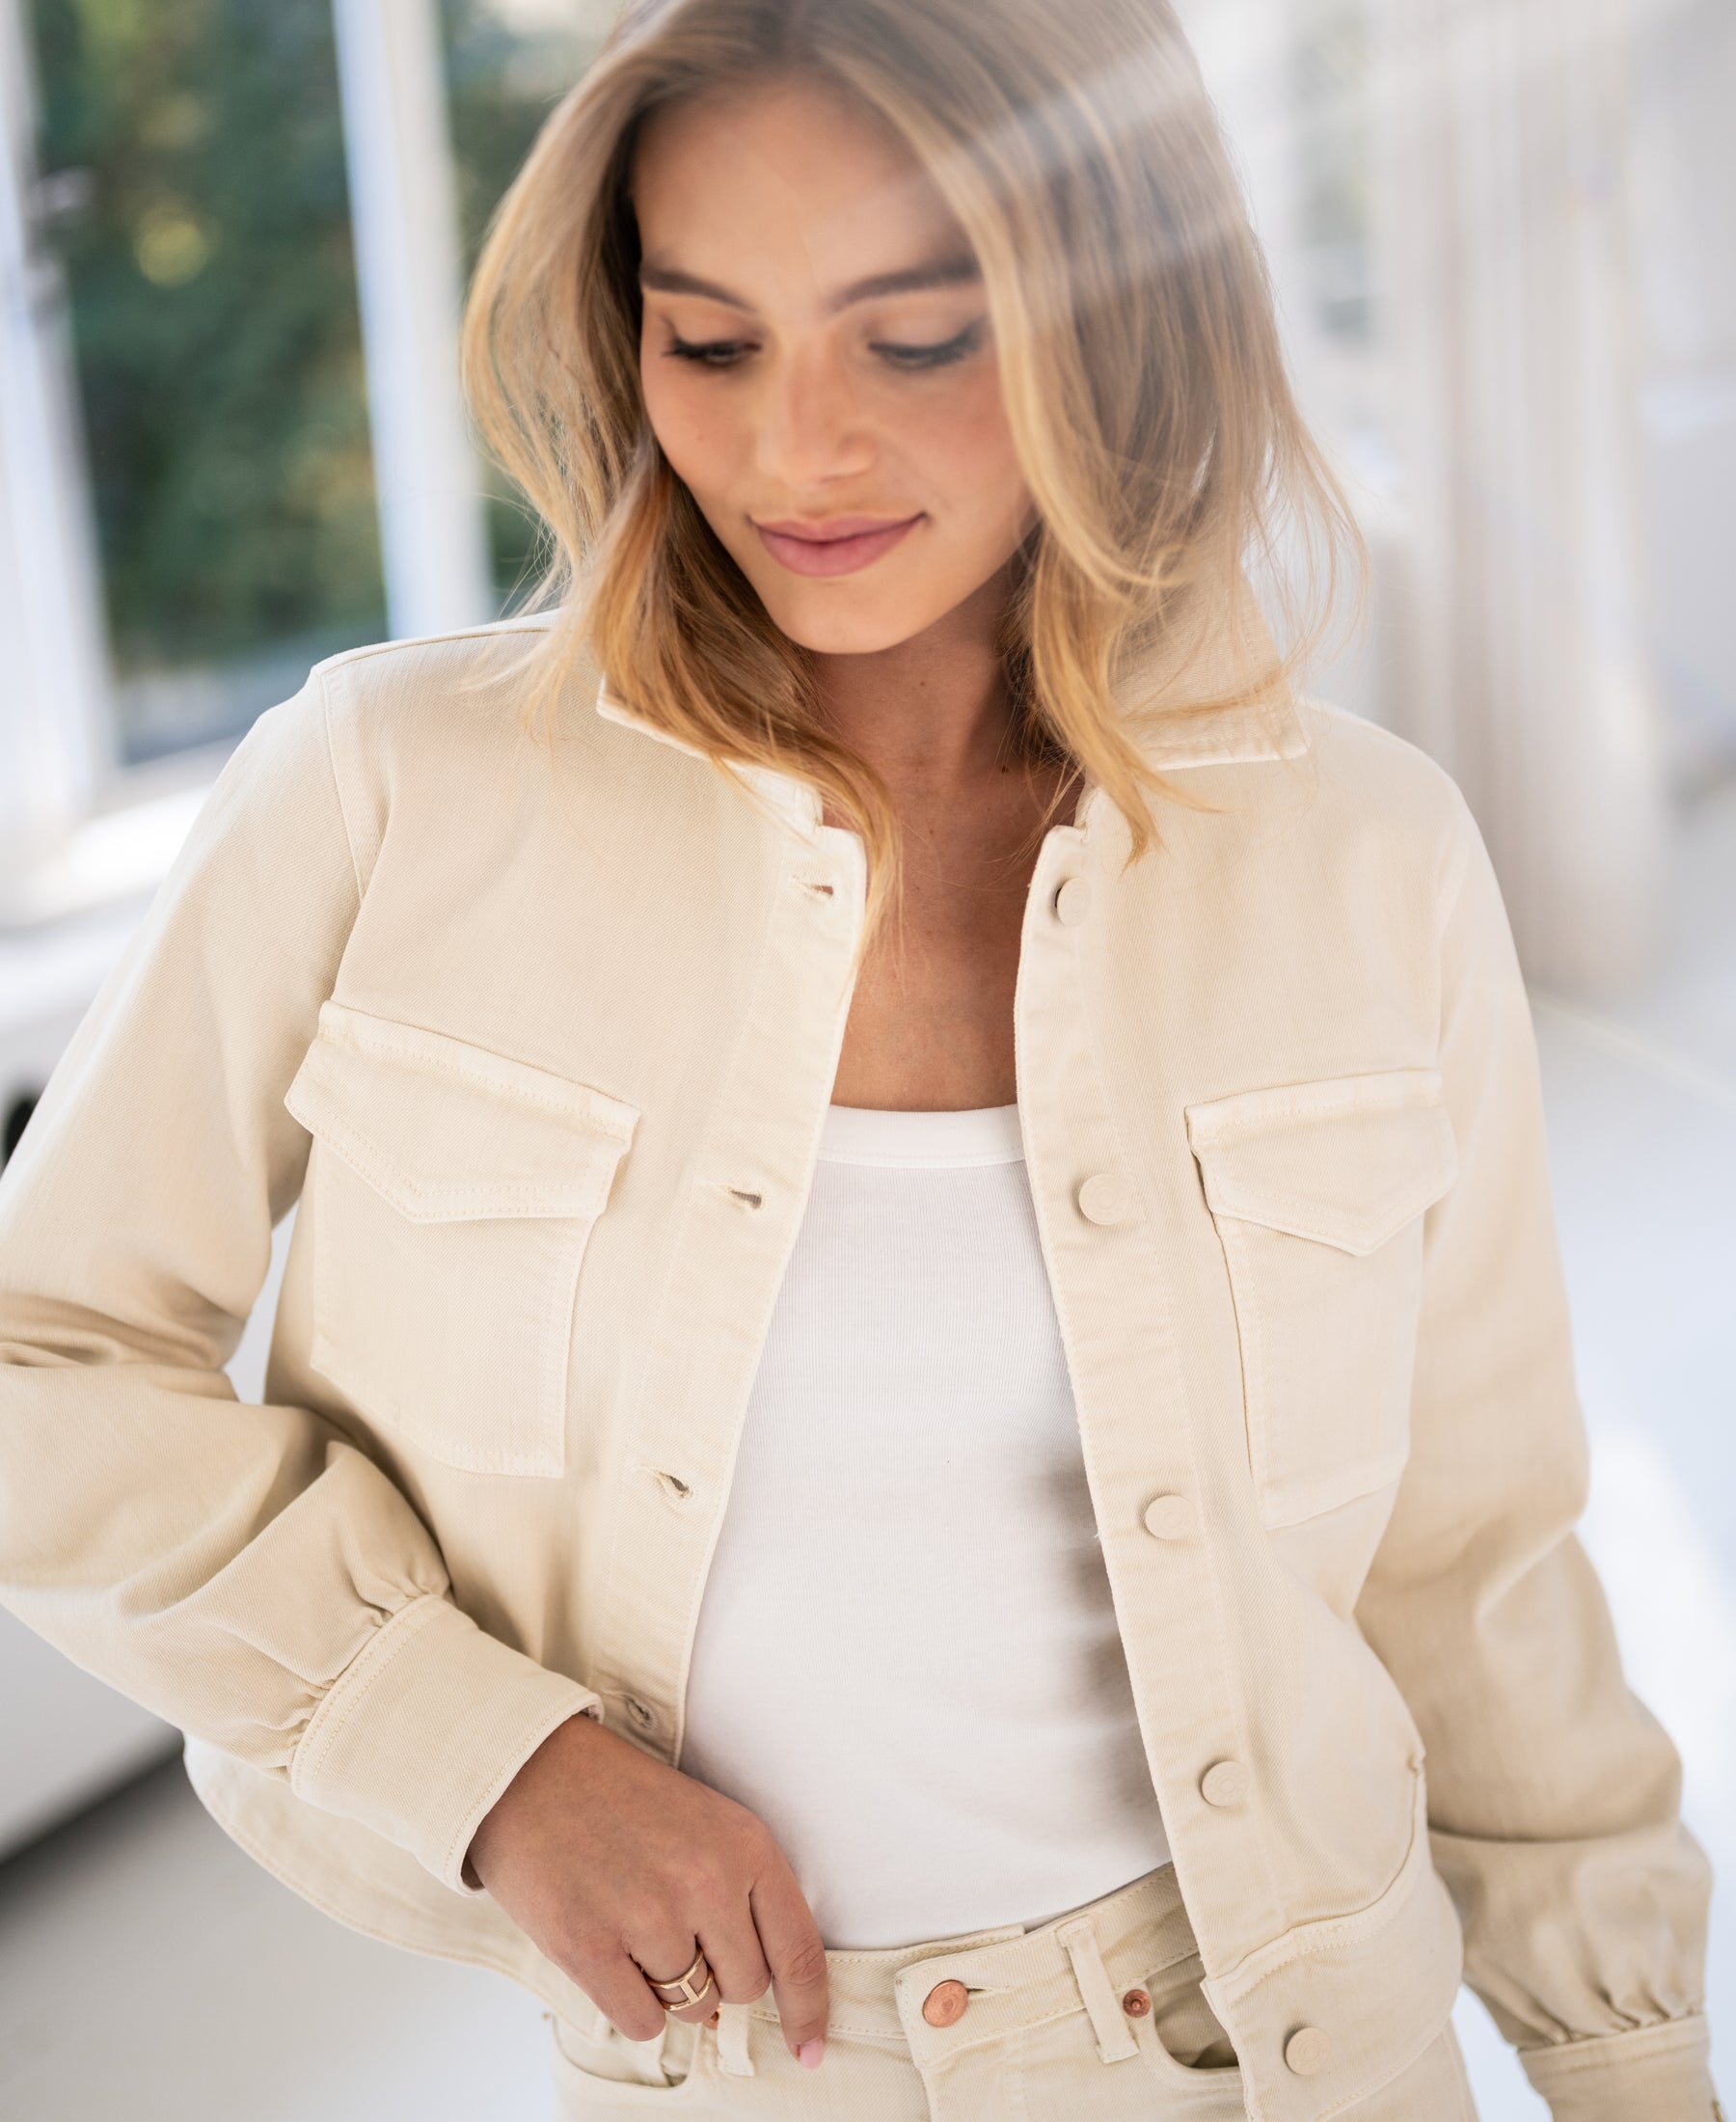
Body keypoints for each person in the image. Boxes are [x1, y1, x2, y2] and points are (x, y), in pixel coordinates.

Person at [0, 0, 1719, 2116]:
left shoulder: (1367, 853)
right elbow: (40, 1353)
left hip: (1293, 2051)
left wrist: (1634, 2064)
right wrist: (490, 1761)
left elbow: (1479, 1565)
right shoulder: (387, 787)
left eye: (914, 341)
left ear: (1131, 326)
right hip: (735, 2066)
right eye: (712, 341)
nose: (792, 449)